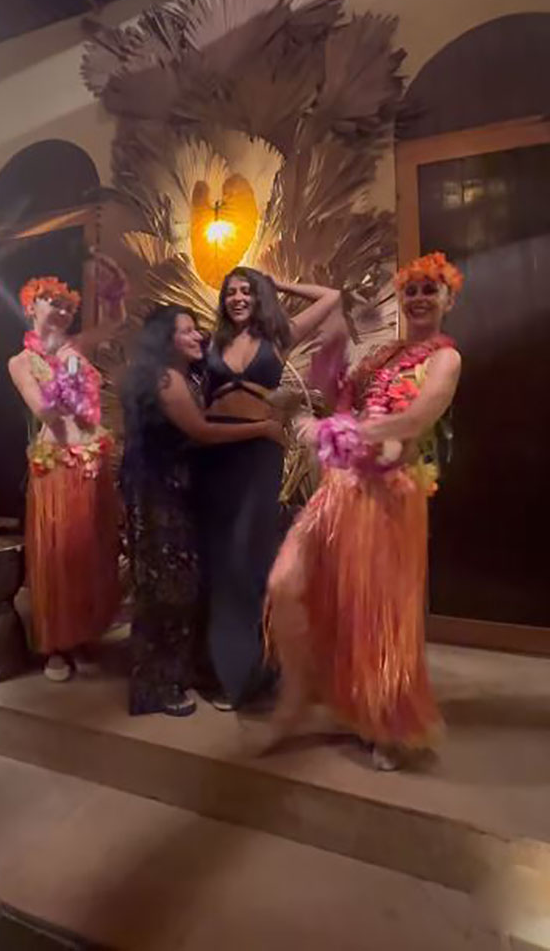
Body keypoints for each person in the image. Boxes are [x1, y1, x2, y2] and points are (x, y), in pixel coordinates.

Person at [264, 252, 463, 770]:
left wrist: (341, 431)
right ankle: (301, 692)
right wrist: (328, 364)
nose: (418, 298)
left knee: (376, 615)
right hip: (340, 488)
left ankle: (384, 721)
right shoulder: (383, 356)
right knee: (285, 583)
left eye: (430, 289)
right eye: (411, 290)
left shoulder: (445, 360)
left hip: (389, 497)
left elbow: (413, 420)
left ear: (448, 299)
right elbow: (339, 395)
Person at [120, 304, 285, 717]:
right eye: (187, 331)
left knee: (178, 586)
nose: (199, 336)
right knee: (166, 590)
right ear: (166, 339)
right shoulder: (166, 379)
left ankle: (178, 672)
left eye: (198, 329)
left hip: (169, 490)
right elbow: (202, 431)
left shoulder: (180, 375)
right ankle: (154, 687)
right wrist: (263, 428)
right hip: (159, 494)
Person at [196, 267, 341, 711]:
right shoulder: (210, 343)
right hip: (215, 452)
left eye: (246, 291)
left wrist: (277, 285)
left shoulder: (279, 337)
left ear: (258, 297)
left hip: (260, 454)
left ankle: (261, 671)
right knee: (221, 560)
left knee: (252, 556)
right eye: (231, 292)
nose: (238, 298)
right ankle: (225, 672)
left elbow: (331, 296)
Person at [9, 260, 126, 682]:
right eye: (51, 303)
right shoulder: (21, 361)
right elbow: (43, 409)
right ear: (30, 307)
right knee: (58, 556)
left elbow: (115, 323)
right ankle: (56, 646)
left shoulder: (77, 345)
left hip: (92, 459)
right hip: (57, 462)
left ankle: (84, 636)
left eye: (66, 306)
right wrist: (67, 377)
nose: (60, 311)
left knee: (92, 552)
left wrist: (114, 290)